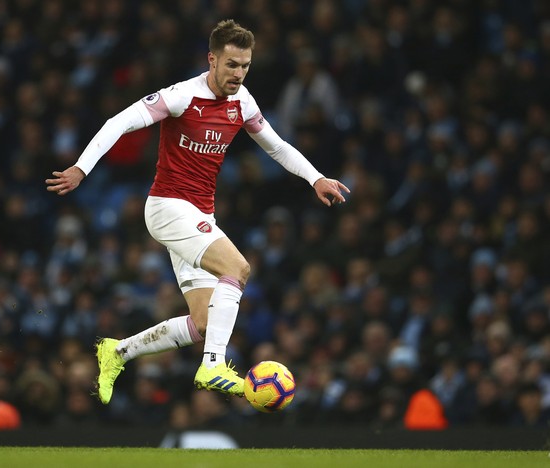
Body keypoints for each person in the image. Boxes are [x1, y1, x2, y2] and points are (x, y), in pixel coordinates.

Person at [46, 19, 349, 405]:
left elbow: (277, 147)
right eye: (231, 65)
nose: (238, 74)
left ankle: (117, 352)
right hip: (167, 207)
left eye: (245, 66)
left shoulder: (243, 102)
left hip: (199, 214)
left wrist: (315, 177)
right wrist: (81, 168)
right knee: (237, 269)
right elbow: (118, 122)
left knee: (205, 323)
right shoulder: (181, 97)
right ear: (212, 60)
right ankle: (212, 365)